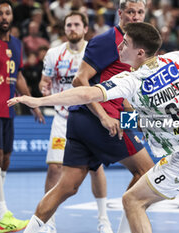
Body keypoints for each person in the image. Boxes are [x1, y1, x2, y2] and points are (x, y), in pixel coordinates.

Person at [8, 22, 179, 233]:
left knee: (132, 201)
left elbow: (84, 94)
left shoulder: (132, 80)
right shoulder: (177, 58)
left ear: (139, 52)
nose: (119, 47)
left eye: (124, 43)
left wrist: (38, 99)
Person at [13, 1, 154, 233]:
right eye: (130, 11)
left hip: (82, 119)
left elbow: (120, 94)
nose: (136, 16)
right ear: (120, 13)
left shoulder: (134, 45)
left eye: (140, 12)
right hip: (98, 118)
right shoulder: (108, 41)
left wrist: (135, 120)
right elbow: (80, 81)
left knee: (67, 187)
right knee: (147, 172)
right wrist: (103, 118)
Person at [38, 11, 112, 233]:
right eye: (68, 25)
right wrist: (43, 88)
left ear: (85, 28)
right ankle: (48, 222)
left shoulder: (95, 52)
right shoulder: (53, 54)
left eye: (76, 25)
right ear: (64, 28)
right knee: (54, 169)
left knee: (95, 169)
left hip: (88, 118)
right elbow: (45, 81)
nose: (72, 28)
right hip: (62, 119)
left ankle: (103, 219)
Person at [0, 0, 44, 232]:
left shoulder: (17, 44)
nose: (4, 17)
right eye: (0, 13)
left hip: (8, 109)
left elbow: (19, 76)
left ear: (11, 17)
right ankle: (3, 214)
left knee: (5, 159)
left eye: (7, 13)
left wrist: (31, 102)